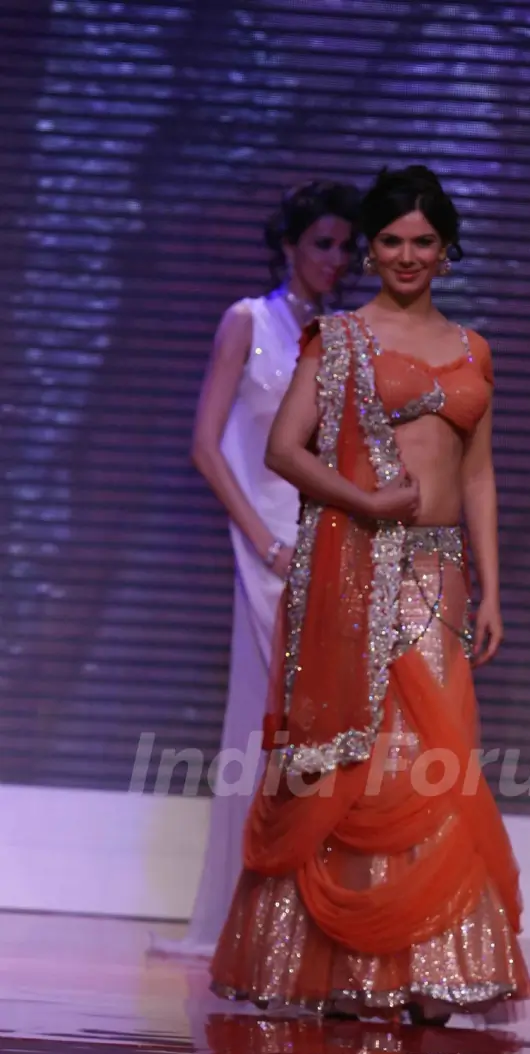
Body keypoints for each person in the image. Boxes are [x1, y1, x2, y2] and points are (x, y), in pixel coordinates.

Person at [210, 165, 530, 1022]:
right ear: (371, 250)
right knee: (357, 764)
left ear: (447, 248)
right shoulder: (340, 337)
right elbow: (284, 449)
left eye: (422, 241)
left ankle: (431, 964)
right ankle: (348, 966)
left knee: (433, 763)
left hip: (441, 575)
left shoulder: (474, 349)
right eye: (390, 240)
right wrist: (366, 502)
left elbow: (479, 476)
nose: (406, 255)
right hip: (359, 572)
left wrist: (493, 590)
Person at [151, 180, 360, 958]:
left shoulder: (341, 335)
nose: (337, 259)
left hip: (323, 546)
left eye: (347, 247)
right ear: (289, 244)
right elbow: (206, 447)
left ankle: (305, 915)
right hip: (266, 548)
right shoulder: (248, 321)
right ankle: (245, 917)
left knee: (319, 730)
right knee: (268, 725)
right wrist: (264, 544)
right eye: (323, 243)